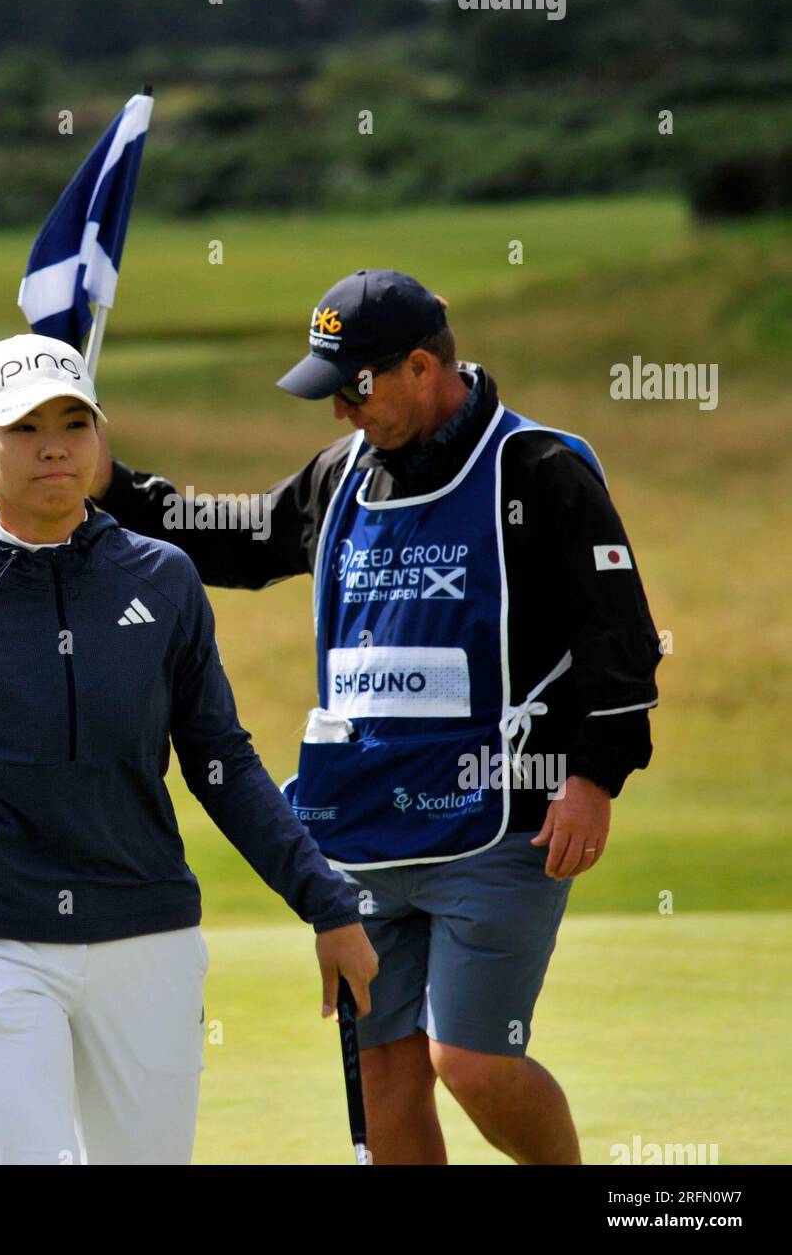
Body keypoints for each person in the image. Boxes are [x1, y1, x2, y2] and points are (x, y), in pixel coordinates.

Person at [0, 332, 377, 1166]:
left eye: (75, 422)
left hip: (145, 933)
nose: (55, 445)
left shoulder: (163, 579)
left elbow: (222, 762)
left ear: (99, 439)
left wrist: (325, 903)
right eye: (25, 426)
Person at [90, 269, 663, 1165]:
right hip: (358, 834)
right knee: (390, 1077)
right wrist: (111, 485)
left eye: (354, 387)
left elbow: (620, 638)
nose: (341, 414)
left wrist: (594, 777)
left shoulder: (540, 469)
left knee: (470, 1061)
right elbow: (240, 537)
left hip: (500, 826)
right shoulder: (342, 476)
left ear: (424, 367)